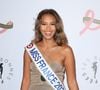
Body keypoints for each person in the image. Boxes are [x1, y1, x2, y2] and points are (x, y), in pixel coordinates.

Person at [20, 9, 79, 90]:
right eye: (44, 24)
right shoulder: (30, 50)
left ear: (57, 26)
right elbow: (26, 81)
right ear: (39, 26)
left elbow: (72, 82)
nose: (48, 28)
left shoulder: (66, 51)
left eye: (52, 24)